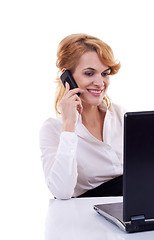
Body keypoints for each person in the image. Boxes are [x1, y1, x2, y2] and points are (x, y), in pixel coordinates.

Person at [39, 34, 125, 199]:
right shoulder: (53, 129)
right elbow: (62, 192)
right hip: (87, 217)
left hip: (132, 211)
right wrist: (69, 125)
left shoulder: (120, 115)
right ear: (67, 77)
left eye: (105, 74)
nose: (100, 83)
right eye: (89, 73)